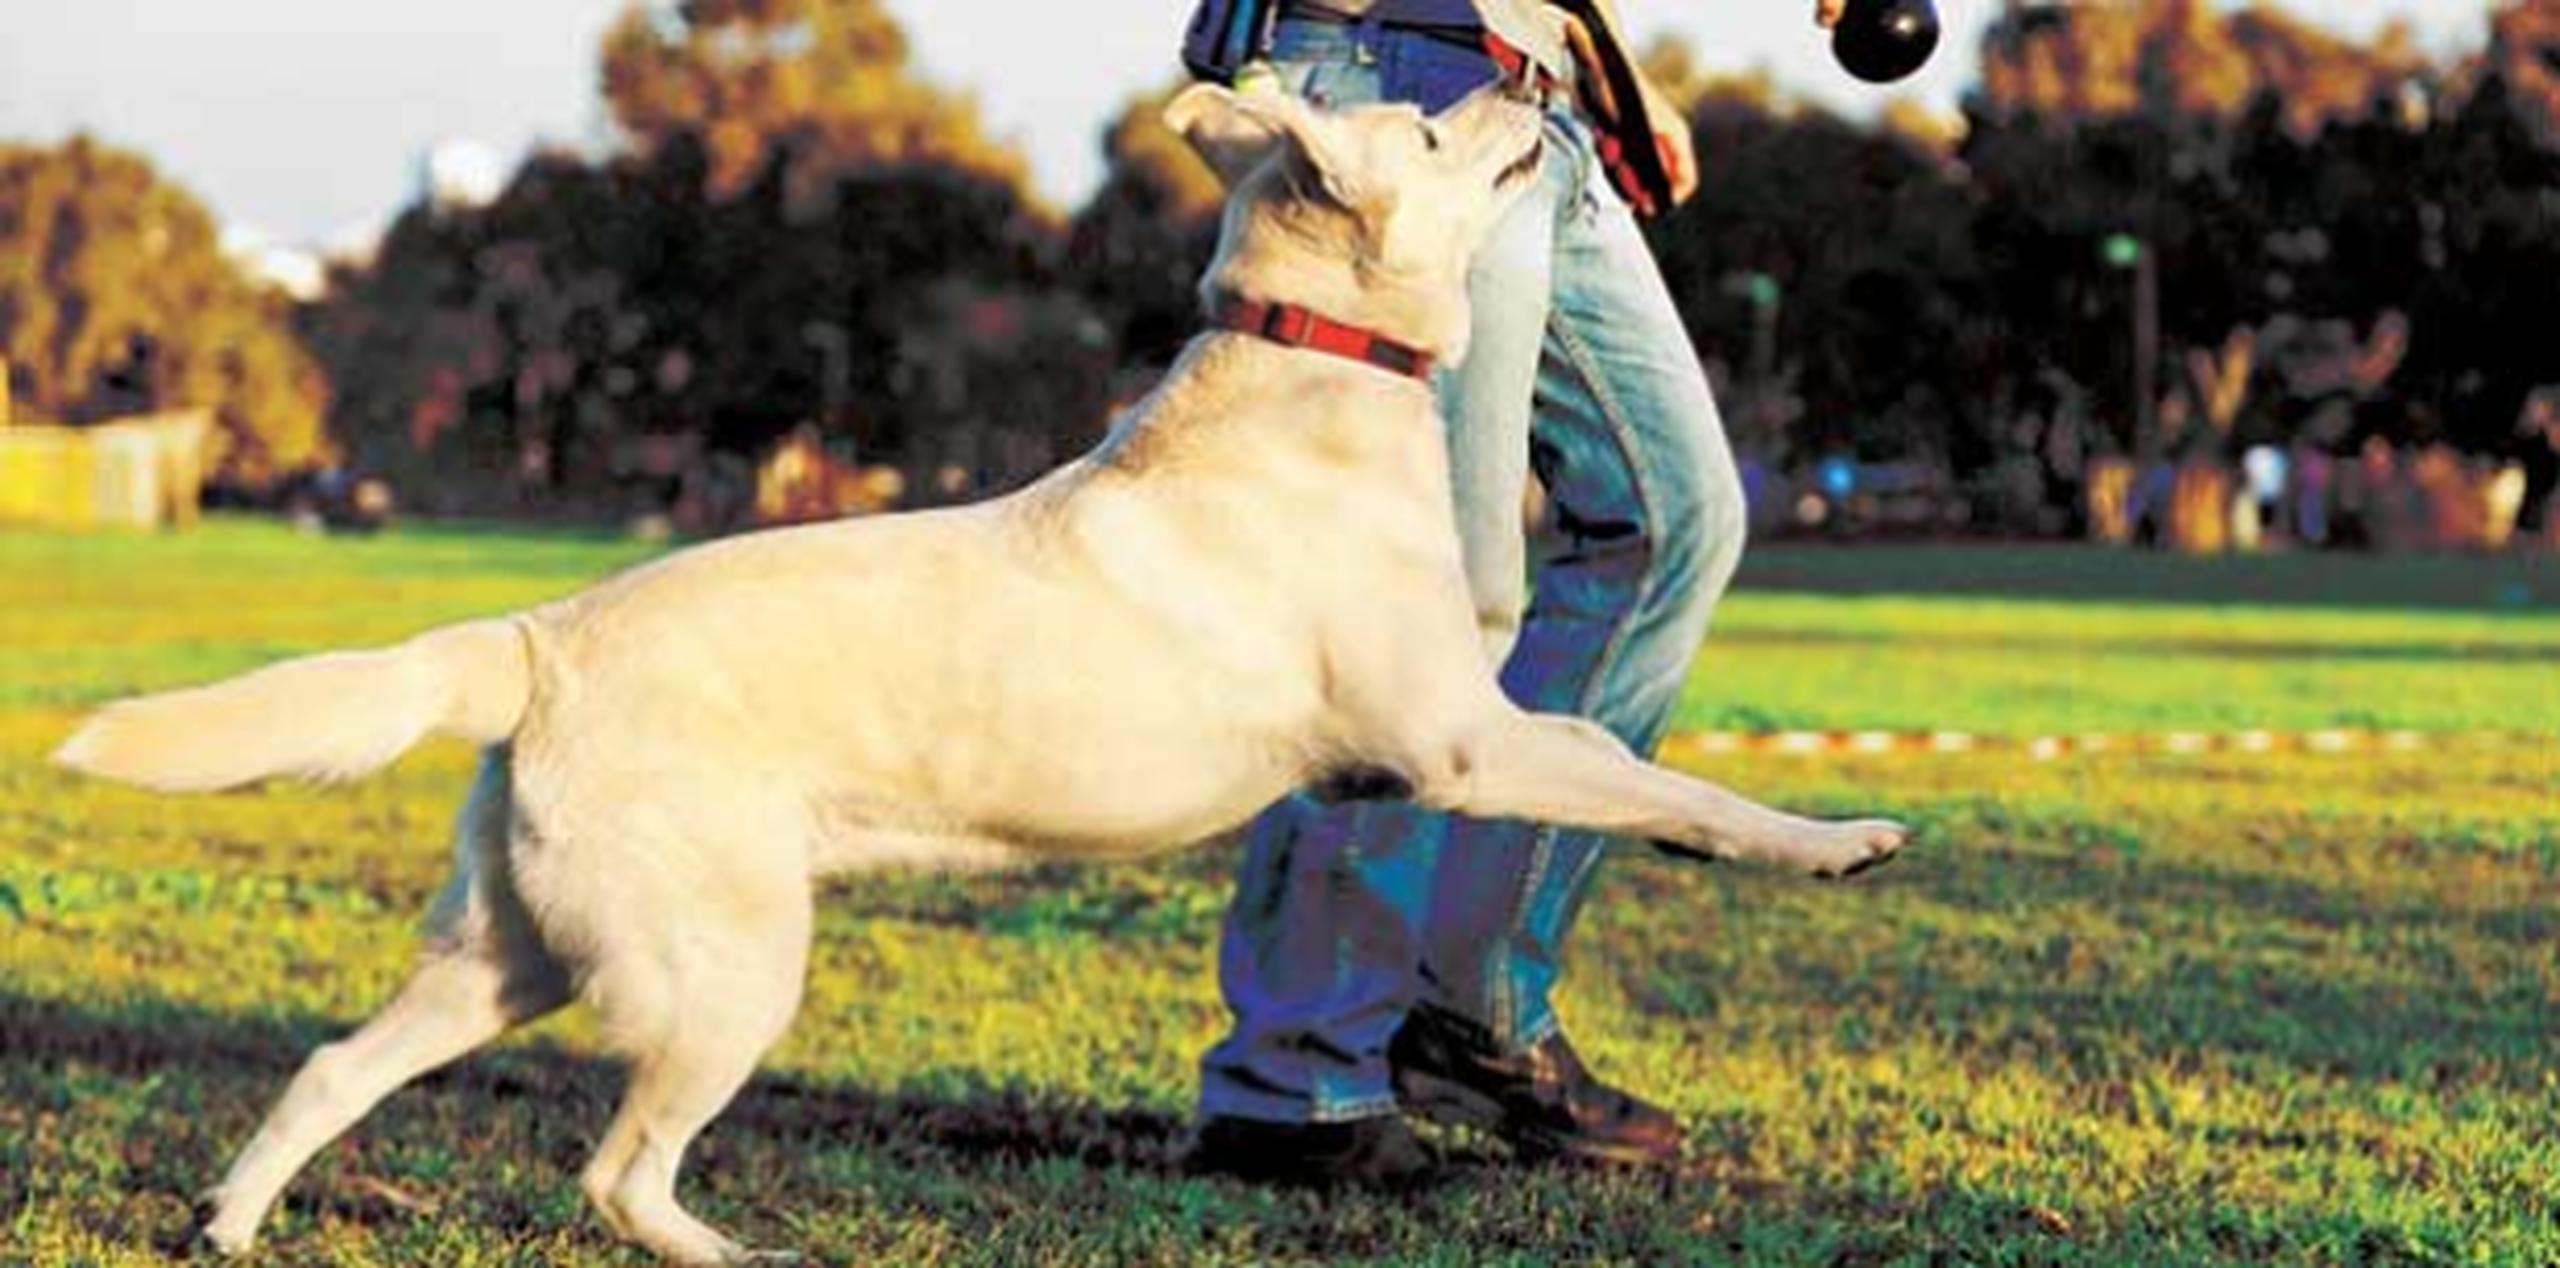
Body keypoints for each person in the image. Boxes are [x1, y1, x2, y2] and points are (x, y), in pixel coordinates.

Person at [1184, 0, 1849, 1187]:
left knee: (1671, 520)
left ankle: (1469, 1004)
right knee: (1419, 613)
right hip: (1394, 89)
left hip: (1521, 100)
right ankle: (1299, 1080)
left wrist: (1604, 62)